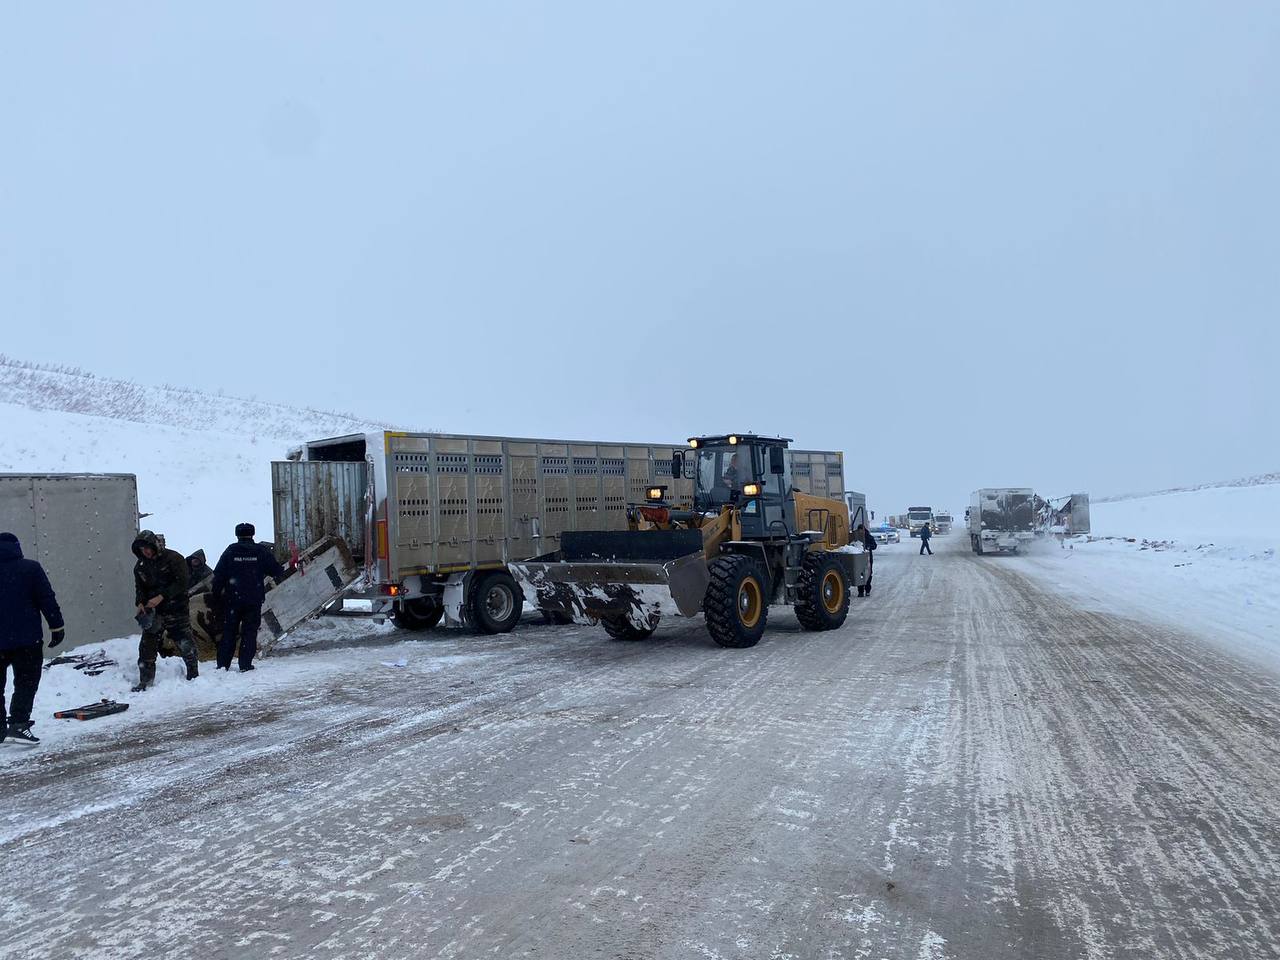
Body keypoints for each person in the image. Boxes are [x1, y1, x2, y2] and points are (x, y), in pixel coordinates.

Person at [0, 532, 65, 743]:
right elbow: (46, 598)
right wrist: (57, 626)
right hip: (27, 640)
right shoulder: (30, 568)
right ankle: (18, 723)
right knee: (26, 682)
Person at [211, 523, 286, 672]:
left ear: (237, 535)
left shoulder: (231, 550)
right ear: (252, 534)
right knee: (249, 632)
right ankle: (245, 664)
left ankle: (223, 665)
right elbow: (276, 571)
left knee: (229, 632)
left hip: (232, 600)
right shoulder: (260, 551)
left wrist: (217, 594)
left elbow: (218, 575)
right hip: (253, 600)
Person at [132, 530, 197, 691]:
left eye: (147, 548)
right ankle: (145, 681)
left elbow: (182, 583)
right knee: (147, 646)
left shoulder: (174, 559)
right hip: (154, 612)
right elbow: (140, 588)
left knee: (184, 642)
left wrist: (162, 596)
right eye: (141, 549)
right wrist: (140, 602)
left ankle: (193, 674)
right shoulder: (140, 566)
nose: (145, 552)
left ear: (154, 545)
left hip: (176, 608)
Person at [853, 523, 877, 596]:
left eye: (862, 530)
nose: (861, 532)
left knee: (868, 574)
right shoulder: (856, 538)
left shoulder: (869, 537)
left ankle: (867, 590)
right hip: (859, 558)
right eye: (859, 530)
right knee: (860, 574)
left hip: (868, 558)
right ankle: (860, 591)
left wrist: (869, 546)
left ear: (864, 530)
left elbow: (874, 546)